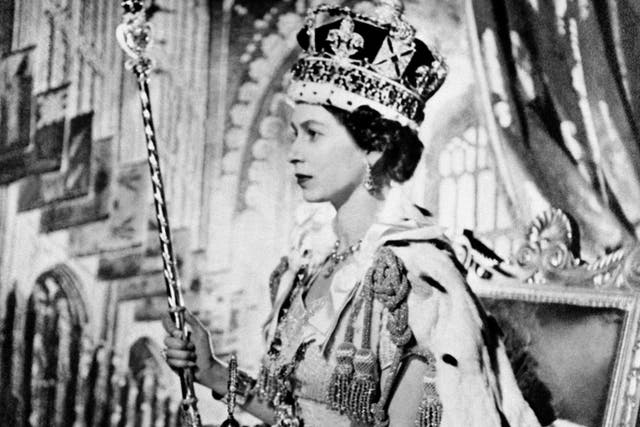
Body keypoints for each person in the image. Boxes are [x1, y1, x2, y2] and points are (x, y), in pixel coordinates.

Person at [163, 1, 542, 426]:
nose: (294, 153)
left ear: (374, 147)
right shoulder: (308, 263)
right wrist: (211, 371)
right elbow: (294, 414)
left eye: (313, 134)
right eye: (294, 133)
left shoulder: (416, 284)